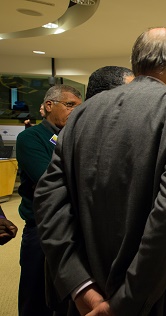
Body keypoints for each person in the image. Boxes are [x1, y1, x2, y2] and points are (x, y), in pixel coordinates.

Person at [34, 27, 166, 316]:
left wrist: (81, 288)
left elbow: (48, 202)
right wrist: (122, 305)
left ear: (136, 65)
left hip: (86, 288)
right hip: (159, 298)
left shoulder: (80, 114)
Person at [15, 84, 82, 316]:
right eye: (70, 105)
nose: (75, 111)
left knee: (68, 298)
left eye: (78, 107)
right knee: (35, 299)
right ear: (49, 105)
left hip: (73, 228)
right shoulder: (30, 138)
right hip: (41, 231)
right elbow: (47, 182)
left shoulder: (75, 137)